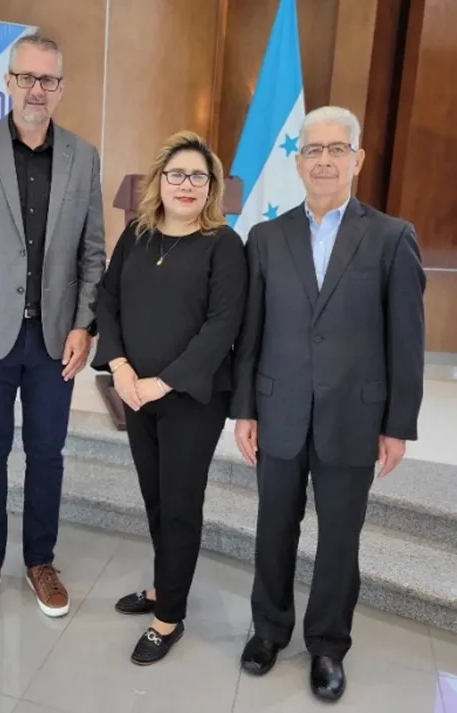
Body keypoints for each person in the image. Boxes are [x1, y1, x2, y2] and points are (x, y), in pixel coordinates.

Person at [231, 106, 425, 701]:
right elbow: (251, 332)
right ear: (297, 161)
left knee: (340, 537)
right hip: (279, 410)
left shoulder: (391, 237)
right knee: (274, 528)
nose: (323, 160)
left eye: (336, 149)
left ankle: (327, 645)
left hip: (353, 416)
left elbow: (406, 341)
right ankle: (269, 630)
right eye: (312, 149)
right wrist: (245, 409)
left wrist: (397, 424)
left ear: (356, 159)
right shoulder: (266, 238)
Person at [0, 33, 105, 624]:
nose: (37, 89)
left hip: (55, 339)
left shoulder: (84, 156)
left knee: (47, 452)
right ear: (8, 82)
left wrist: (84, 325)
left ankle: (40, 561)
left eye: (48, 79)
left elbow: (93, 252)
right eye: (27, 77)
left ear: (61, 87)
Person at [92, 131, 248, 665]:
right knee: (155, 497)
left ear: (212, 187)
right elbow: (107, 299)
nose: (187, 184)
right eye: (177, 174)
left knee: (180, 505)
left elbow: (222, 326)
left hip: (190, 399)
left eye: (198, 176)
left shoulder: (224, 245)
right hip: (136, 392)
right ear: (160, 180)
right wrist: (119, 367)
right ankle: (164, 584)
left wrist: (162, 382)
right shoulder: (138, 235)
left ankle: (169, 617)